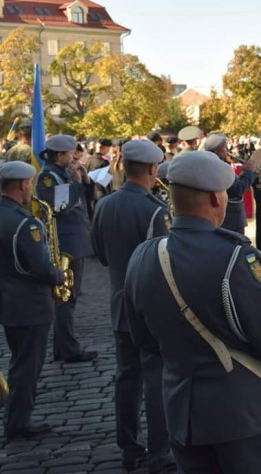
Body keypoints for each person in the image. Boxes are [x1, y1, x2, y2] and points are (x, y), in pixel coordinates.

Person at [123, 151, 261, 473]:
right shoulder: (233, 258)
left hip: (183, 415)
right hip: (244, 417)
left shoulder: (144, 256)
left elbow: (144, 340)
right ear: (216, 199)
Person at [92, 140, 174, 472]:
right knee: (157, 380)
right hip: (150, 308)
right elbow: (164, 264)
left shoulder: (104, 205)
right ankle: (159, 452)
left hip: (119, 303)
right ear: (154, 170)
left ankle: (129, 447)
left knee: (127, 379)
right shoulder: (155, 209)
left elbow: (99, 256)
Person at [0, 161, 63, 440]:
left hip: (7, 301)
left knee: (18, 361)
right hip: (30, 304)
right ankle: (18, 422)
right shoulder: (26, 223)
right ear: (23, 185)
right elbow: (39, 266)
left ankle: (16, 416)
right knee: (27, 367)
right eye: (29, 184)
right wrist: (59, 275)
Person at [35, 135, 97, 363]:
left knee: (71, 297)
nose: (75, 157)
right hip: (65, 243)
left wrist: (85, 181)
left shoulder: (63, 175)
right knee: (66, 299)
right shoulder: (49, 177)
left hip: (76, 240)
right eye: (71, 153)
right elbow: (61, 207)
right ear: (60, 155)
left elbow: (86, 200)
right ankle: (67, 348)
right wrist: (75, 183)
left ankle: (65, 346)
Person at [203, 133, 255, 235]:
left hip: (225, 218)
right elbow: (236, 190)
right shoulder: (220, 166)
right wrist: (249, 172)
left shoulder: (211, 164)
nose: (227, 150)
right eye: (224, 147)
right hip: (231, 219)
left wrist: (242, 174)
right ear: (216, 150)